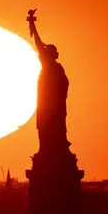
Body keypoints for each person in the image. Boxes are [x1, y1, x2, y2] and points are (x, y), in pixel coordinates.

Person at [27, 10, 71, 152]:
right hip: (46, 101)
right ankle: (46, 148)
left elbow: (64, 84)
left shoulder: (58, 68)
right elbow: (38, 43)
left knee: (57, 125)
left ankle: (58, 145)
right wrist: (33, 25)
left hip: (57, 103)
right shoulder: (48, 66)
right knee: (45, 125)